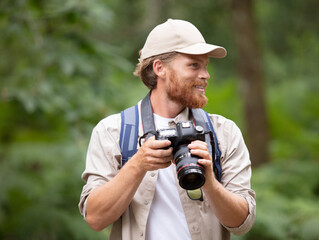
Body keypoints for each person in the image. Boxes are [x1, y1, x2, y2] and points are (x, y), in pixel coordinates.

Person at [79, 19, 256, 240]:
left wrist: (209, 181)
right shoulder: (112, 131)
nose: (206, 75)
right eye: (194, 65)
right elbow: (95, 218)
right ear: (160, 68)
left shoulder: (223, 132)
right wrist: (138, 164)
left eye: (205, 66)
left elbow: (242, 224)